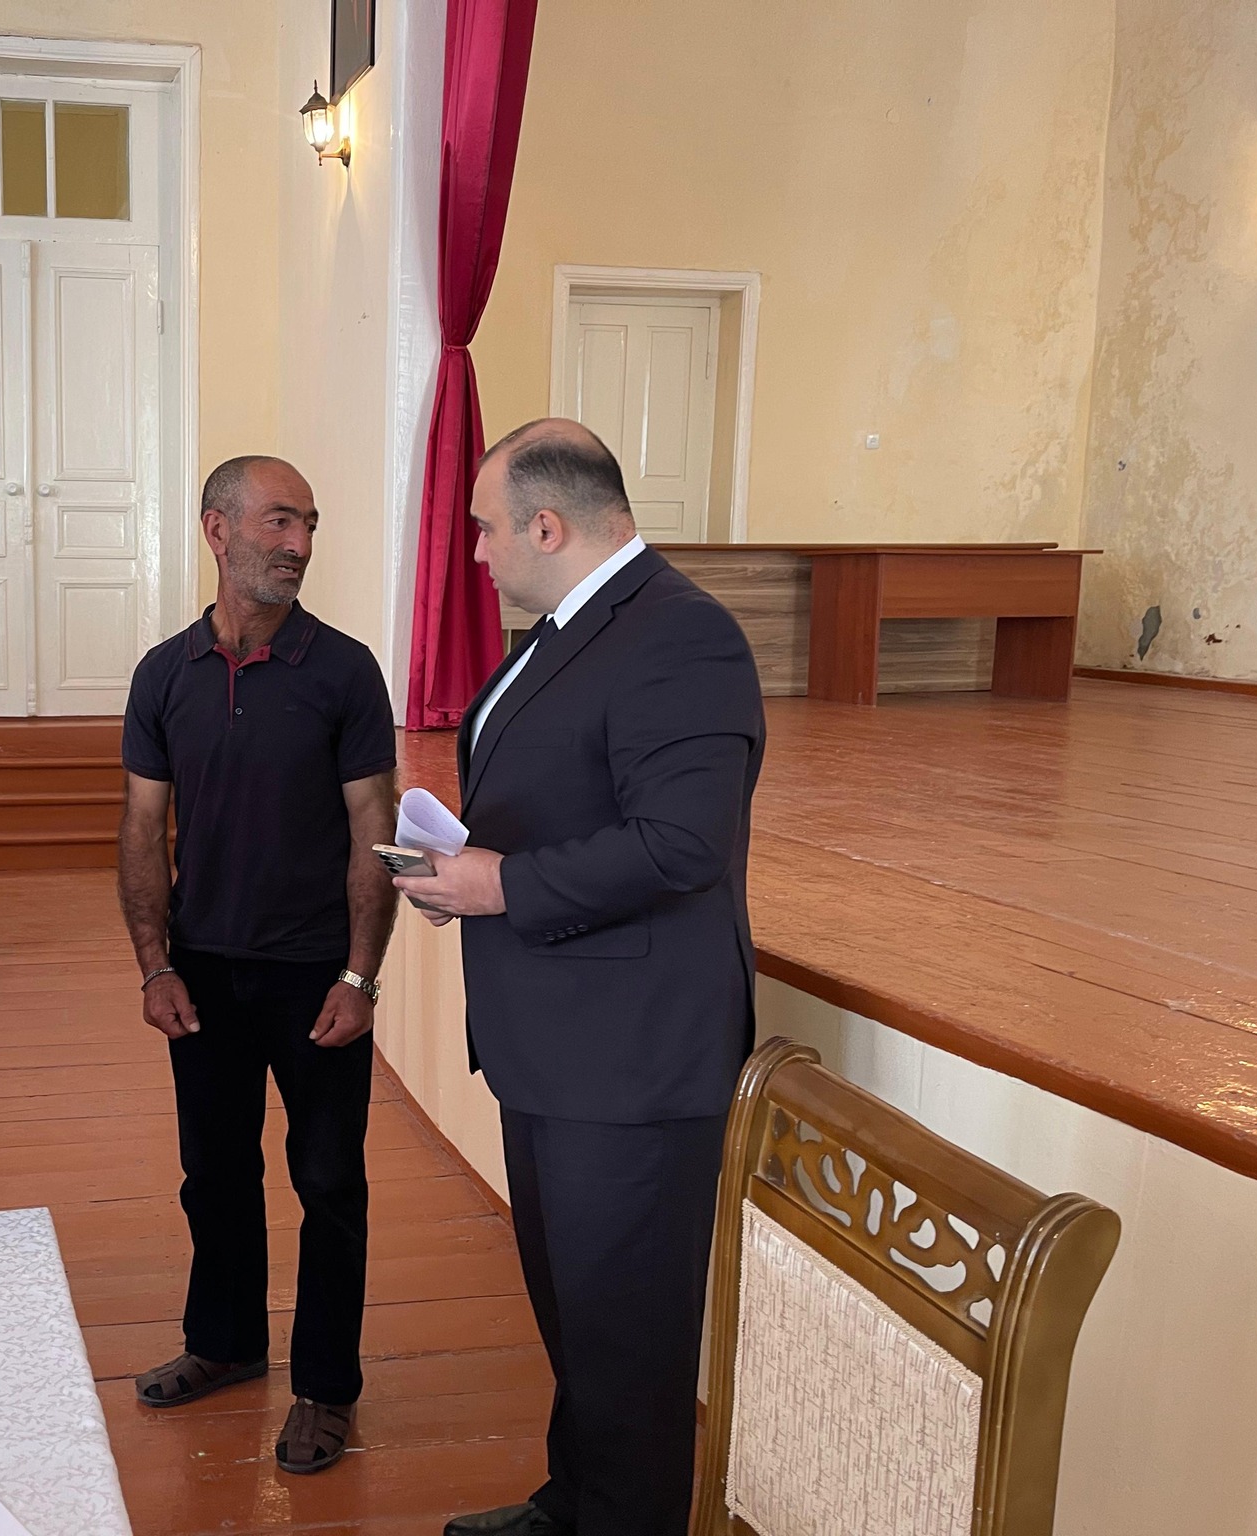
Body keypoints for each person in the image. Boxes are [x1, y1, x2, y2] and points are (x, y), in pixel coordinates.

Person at [397, 420, 765, 1536]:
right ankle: (577, 1505)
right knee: (580, 1320)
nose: (475, 552)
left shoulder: (680, 635)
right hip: (556, 1042)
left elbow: (681, 843)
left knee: (629, 1341)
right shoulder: (567, 630)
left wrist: (502, 884)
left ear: (546, 527)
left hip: (633, 1060)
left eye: (485, 530)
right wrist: (460, 872)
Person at [117, 455, 399, 1476]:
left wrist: (359, 977)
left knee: (328, 1182)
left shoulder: (345, 671)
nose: (299, 544)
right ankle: (226, 1342)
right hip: (203, 972)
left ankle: (325, 1386)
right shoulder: (164, 675)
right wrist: (154, 966)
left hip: (315, 975)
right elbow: (142, 830)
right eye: (279, 522)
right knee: (215, 1174)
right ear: (216, 529)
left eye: (308, 524)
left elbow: (374, 832)